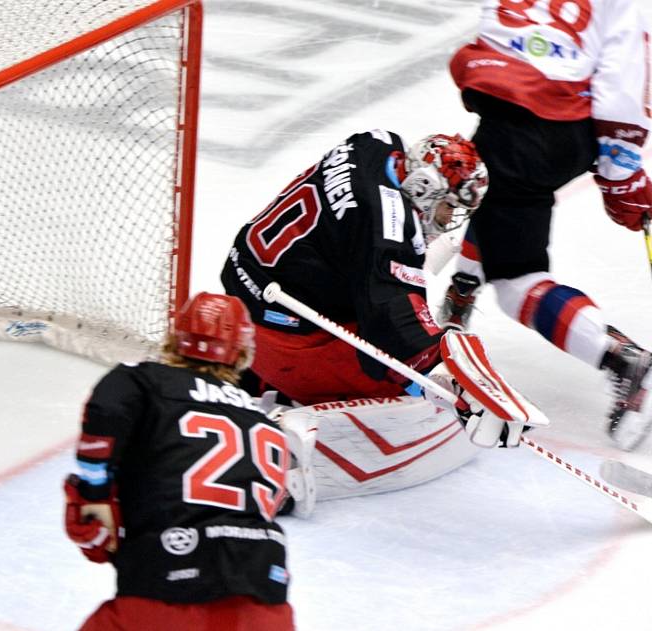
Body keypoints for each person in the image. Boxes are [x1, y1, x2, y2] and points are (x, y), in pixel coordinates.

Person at [436, 0, 652, 450]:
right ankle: (461, 292)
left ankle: (619, 359)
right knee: (489, 195)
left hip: (527, 131)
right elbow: (622, 84)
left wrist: (622, 174)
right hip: (550, 129)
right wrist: (622, 176)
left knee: (518, 283)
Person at [63, 292, 295, 631]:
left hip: (166, 595)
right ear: (243, 353)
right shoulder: (266, 425)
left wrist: (93, 491)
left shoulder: (144, 381)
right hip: (266, 604)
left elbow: (106, 412)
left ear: (175, 339)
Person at [221, 128, 489, 406]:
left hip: (246, 282)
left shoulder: (378, 144)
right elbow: (395, 329)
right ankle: (281, 387)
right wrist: (444, 371)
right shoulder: (389, 231)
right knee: (398, 380)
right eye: (449, 206)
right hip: (282, 339)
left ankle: (251, 374)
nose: (449, 218)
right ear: (423, 186)